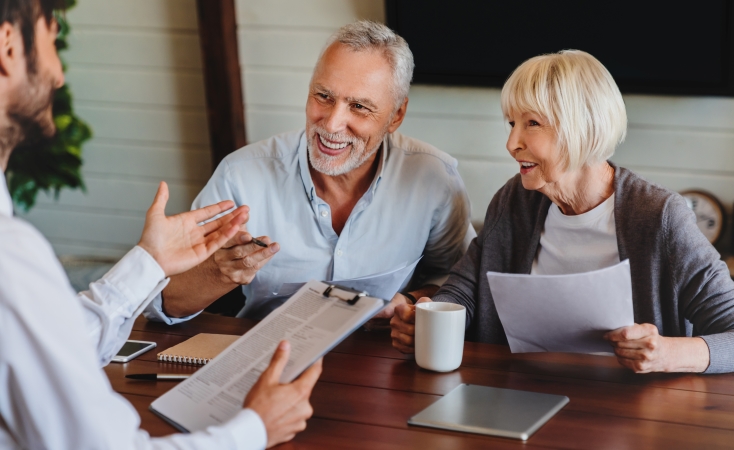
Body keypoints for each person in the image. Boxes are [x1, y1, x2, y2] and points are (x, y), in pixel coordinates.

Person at [0, 1, 321, 448]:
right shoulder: (10, 257)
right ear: (9, 47)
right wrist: (255, 429)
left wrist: (149, 262)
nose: (59, 74)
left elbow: (54, 348)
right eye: (52, 39)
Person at [391, 49, 734, 374]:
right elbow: (466, 287)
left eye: (532, 124)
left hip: (634, 410)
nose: (512, 143)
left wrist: (668, 353)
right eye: (511, 123)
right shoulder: (514, 200)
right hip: (517, 395)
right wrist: (430, 316)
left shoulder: (659, 217)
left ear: (580, 127)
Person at [147, 20, 474, 323]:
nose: (331, 124)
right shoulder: (241, 176)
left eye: (359, 107)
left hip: (384, 363)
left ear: (396, 116)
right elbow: (165, 305)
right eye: (324, 96)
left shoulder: (435, 179)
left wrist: (410, 301)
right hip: (270, 358)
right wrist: (218, 273)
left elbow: (459, 282)